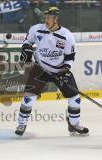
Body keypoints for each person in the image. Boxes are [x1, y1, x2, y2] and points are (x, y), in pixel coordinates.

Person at [15, 7, 89, 136]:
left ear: (56, 19)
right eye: (46, 17)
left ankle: (74, 124)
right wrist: (26, 48)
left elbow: (69, 57)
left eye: (49, 17)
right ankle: (21, 124)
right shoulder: (36, 29)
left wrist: (66, 70)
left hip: (59, 71)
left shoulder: (67, 36)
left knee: (75, 98)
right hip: (40, 69)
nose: (46, 19)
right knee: (28, 98)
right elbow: (27, 41)